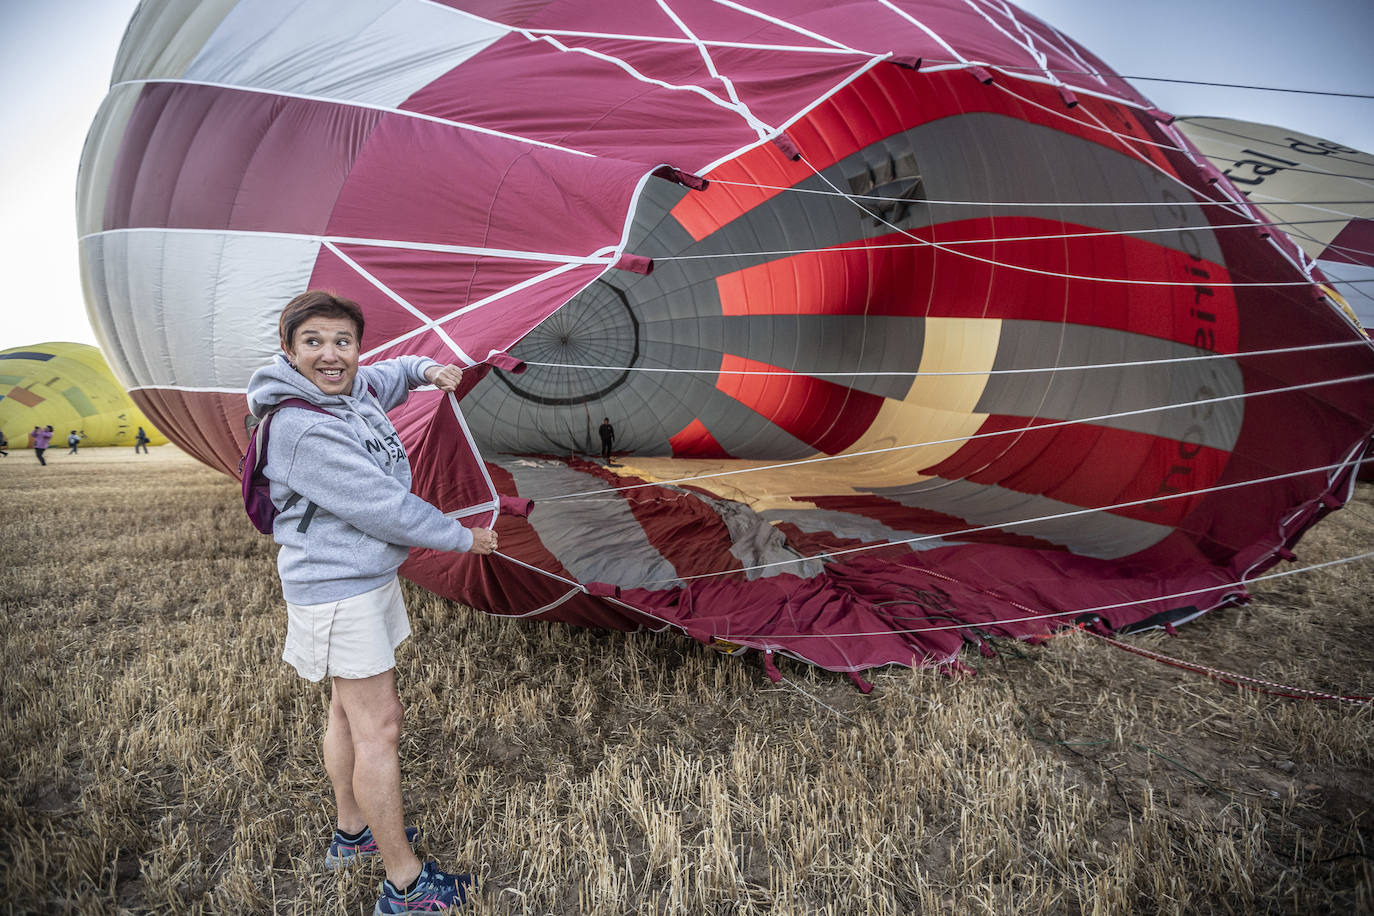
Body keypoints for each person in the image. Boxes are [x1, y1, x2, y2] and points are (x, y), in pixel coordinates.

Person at [245, 290, 496, 914]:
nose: (331, 354)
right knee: (379, 727)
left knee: (344, 712)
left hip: (362, 578)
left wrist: (425, 369)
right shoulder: (302, 427)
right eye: (313, 342)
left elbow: (392, 373)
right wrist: (464, 538)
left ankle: (352, 834)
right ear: (288, 350)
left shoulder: (350, 389)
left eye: (343, 342)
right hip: (338, 591)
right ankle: (404, 884)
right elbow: (384, 508)